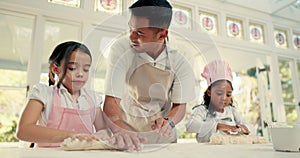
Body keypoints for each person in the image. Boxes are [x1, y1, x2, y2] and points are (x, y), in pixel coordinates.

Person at [103, 0, 196, 146]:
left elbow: (180, 105)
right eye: (131, 29)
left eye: (140, 33)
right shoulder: (121, 48)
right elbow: (111, 101)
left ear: (162, 34)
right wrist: (121, 131)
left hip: (162, 137)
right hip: (125, 130)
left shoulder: (182, 55)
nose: (131, 37)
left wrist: (168, 122)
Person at [16, 41, 107, 147]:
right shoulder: (44, 93)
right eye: (72, 68)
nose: (81, 74)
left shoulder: (93, 98)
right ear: (55, 69)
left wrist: (103, 135)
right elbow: (24, 131)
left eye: (86, 69)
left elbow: (104, 130)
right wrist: (72, 136)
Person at [186, 60, 255, 143]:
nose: (224, 98)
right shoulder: (202, 110)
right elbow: (190, 126)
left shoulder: (232, 111)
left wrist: (245, 128)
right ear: (209, 93)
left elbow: (252, 128)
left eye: (228, 95)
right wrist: (219, 126)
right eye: (219, 93)